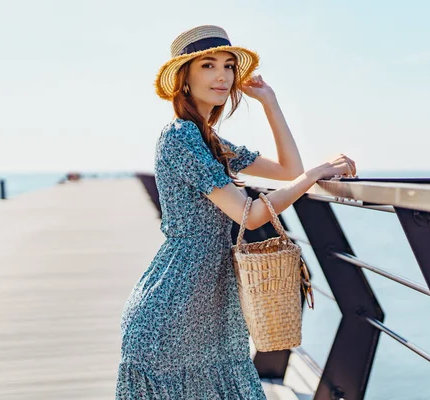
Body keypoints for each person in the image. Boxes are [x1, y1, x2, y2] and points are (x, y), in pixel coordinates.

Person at [115, 25, 356, 399]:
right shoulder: (180, 137)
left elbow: (287, 170)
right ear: (184, 79)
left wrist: (269, 102)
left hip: (210, 304)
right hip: (175, 310)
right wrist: (313, 177)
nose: (223, 76)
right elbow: (249, 214)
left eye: (228, 66)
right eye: (208, 66)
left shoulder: (208, 138)